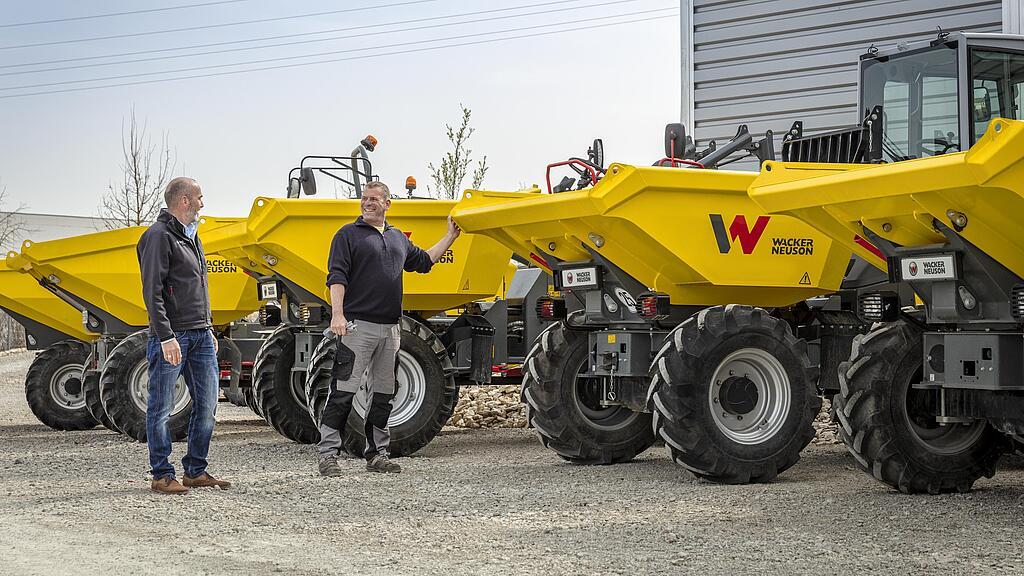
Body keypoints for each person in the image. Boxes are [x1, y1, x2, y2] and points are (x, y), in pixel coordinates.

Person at [317, 180, 460, 475]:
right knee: (343, 392)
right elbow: (337, 277)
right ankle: (328, 454)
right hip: (358, 328)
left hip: (391, 330)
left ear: (386, 204)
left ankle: (377, 454)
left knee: (383, 395)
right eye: (364, 198)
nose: (367, 203)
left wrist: (450, 236)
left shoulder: (397, 238)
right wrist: (338, 315)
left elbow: (424, 261)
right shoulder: (347, 235)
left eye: (373, 199)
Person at [137, 177, 231, 494]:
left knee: (207, 406)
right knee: (161, 407)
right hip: (172, 335)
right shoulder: (158, 237)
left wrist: (209, 327)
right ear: (185, 200)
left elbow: (198, 288)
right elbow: (153, 293)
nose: (203, 204)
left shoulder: (192, 237)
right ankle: (162, 474)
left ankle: (195, 470)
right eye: (200, 198)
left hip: (200, 334)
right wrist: (165, 337)